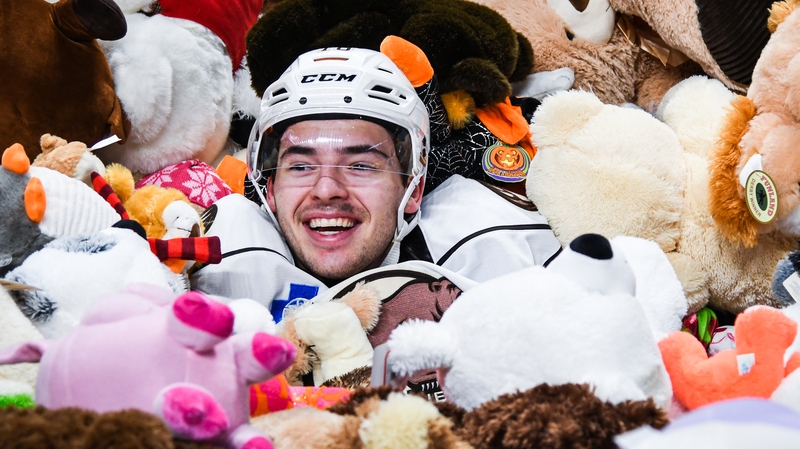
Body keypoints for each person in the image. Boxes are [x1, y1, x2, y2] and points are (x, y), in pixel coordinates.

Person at [190, 47, 561, 384]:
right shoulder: (220, 257)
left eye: (361, 166)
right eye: (301, 166)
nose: (326, 189)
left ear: (413, 189)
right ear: (268, 189)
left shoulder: (484, 243)